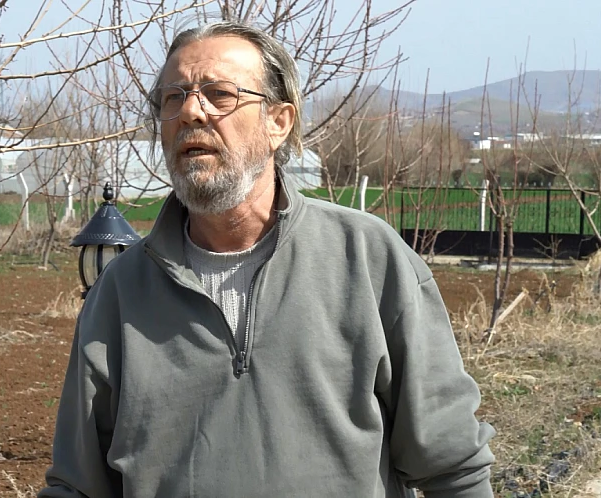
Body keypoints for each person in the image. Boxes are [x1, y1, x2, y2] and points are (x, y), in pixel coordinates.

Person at [38, 21, 496, 498]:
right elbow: (79, 486)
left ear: (279, 122)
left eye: (219, 94)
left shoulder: (366, 259)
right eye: (173, 97)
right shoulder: (122, 291)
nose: (191, 111)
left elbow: (453, 467)